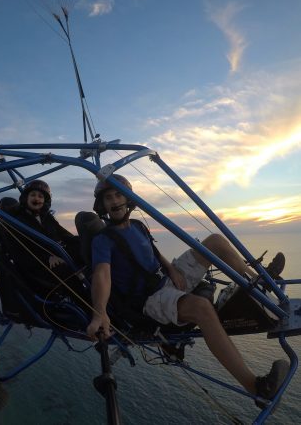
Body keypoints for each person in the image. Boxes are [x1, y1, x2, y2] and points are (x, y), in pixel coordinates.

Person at [86, 174, 289, 407]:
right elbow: (102, 275)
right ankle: (257, 388)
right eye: (108, 198)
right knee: (201, 308)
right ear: (102, 205)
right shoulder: (103, 240)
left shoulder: (139, 226)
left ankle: (259, 281)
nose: (114, 201)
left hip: (166, 280)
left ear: (128, 198)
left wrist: (171, 269)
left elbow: (153, 253)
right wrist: (99, 311)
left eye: (119, 195)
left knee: (214, 241)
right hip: (149, 300)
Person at [0, 179, 83, 297]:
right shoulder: (17, 222)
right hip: (38, 266)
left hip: (57, 256)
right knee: (67, 273)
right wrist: (47, 258)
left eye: (40, 196)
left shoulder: (46, 217)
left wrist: (83, 242)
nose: (36, 199)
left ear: (45, 201)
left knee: (85, 251)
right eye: (33, 195)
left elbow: (64, 234)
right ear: (26, 198)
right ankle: (89, 307)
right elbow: (20, 252)